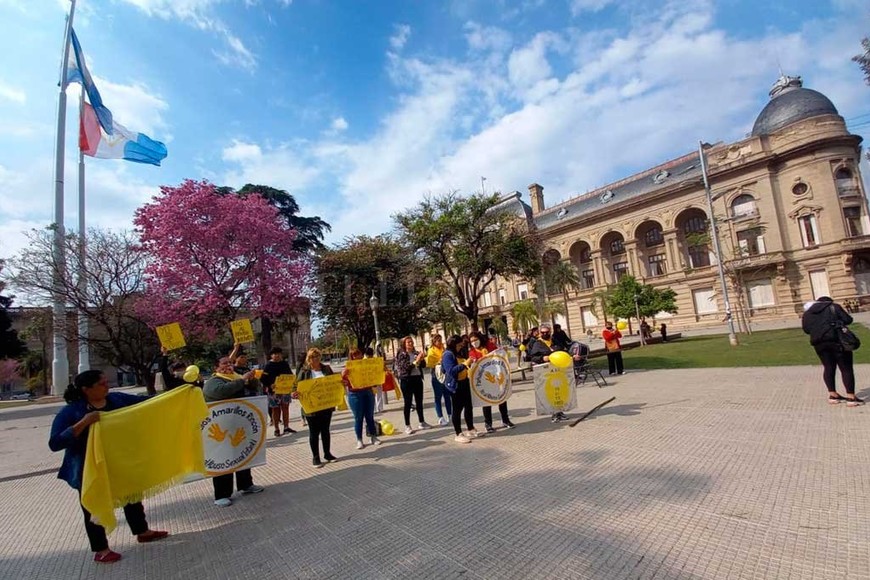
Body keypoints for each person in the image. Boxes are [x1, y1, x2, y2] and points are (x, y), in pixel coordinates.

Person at [48, 370, 169, 563]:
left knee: (132, 496)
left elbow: (147, 402)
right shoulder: (72, 411)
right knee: (93, 507)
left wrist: (178, 393)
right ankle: (101, 550)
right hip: (88, 468)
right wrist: (84, 423)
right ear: (86, 389)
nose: (107, 386)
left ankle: (142, 531)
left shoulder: (116, 399)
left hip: (119, 461)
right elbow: (55, 443)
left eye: (106, 382)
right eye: (102, 384)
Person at [204, 357, 266, 506]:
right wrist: (242, 380)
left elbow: (256, 388)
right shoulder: (213, 382)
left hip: (239, 426)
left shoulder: (238, 377)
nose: (229, 366)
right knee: (223, 459)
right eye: (224, 363)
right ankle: (221, 494)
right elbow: (222, 392)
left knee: (242, 455)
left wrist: (251, 380)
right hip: (220, 430)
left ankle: (246, 484)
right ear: (216, 367)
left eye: (230, 363)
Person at [802, 297, 863, 406]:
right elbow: (848, 319)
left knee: (828, 367)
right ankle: (851, 397)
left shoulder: (808, 312)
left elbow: (806, 329)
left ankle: (833, 394)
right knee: (846, 368)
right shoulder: (834, 307)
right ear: (829, 301)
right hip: (837, 340)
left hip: (819, 343)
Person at [294, 348, 339, 467]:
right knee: (314, 433)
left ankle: (327, 453)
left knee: (325, 431)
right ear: (309, 359)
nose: (316, 359)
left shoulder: (326, 369)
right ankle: (315, 457)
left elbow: (334, 383)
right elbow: (296, 386)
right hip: (311, 407)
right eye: (313, 357)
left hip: (326, 405)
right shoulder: (304, 371)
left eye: (318, 356)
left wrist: (340, 384)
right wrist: (295, 393)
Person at [468, 332, 515, 433]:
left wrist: (503, 351)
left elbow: (498, 353)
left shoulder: (489, 345)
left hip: (497, 377)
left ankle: (505, 420)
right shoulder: (472, 352)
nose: (474, 342)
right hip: (485, 380)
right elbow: (472, 362)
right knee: (486, 401)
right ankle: (488, 424)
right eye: (471, 341)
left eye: (475, 339)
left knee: (502, 398)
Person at [441, 335, 481, 443]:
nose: (460, 347)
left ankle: (470, 428)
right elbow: (451, 370)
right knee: (457, 409)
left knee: (468, 406)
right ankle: (458, 433)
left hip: (464, 382)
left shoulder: (457, 353)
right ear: (453, 345)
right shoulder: (447, 355)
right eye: (458, 345)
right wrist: (465, 364)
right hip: (455, 385)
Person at [528, 323, 569, 422]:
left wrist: (572, 356)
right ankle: (553, 413)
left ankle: (559, 412)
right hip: (545, 372)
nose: (545, 334)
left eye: (547, 332)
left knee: (558, 391)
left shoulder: (555, 341)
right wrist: (543, 358)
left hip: (557, 371)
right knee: (549, 393)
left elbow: (563, 351)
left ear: (550, 332)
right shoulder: (537, 343)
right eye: (542, 332)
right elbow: (532, 357)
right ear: (540, 333)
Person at [342, 348, 381, 449]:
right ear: (351, 357)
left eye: (359, 354)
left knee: (370, 416)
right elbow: (342, 382)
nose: (357, 357)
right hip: (355, 394)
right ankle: (359, 440)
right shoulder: (348, 368)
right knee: (358, 418)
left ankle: (373, 436)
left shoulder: (366, 365)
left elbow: (374, 376)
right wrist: (343, 376)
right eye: (354, 355)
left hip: (368, 392)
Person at [394, 336, 432, 434]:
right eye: (408, 342)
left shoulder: (415, 353)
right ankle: (407, 425)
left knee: (419, 401)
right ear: (404, 344)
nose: (410, 344)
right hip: (407, 380)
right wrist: (416, 361)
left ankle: (422, 422)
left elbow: (423, 366)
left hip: (417, 378)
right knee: (408, 403)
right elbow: (405, 368)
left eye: (411, 342)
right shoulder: (402, 354)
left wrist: (422, 359)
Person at [260, 347, 296, 437]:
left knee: (285, 408)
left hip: (285, 390)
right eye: (275, 354)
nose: (277, 356)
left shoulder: (284, 364)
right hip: (273, 392)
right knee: (275, 410)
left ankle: (286, 427)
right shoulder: (268, 365)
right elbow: (263, 379)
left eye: (279, 354)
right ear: (271, 355)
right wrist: (269, 385)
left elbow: (290, 375)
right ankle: (276, 429)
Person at [426, 334, 451, 426]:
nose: (440, 342)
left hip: (445, 375)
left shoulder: (444, 349)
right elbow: (430, 363)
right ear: (434, 342)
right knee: (438, 397)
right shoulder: (431, 351)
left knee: (447, 396)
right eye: (438, 340)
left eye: (441, 340)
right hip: (436, 376)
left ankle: (450, 414)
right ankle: (440, 417)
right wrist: (439, 361)